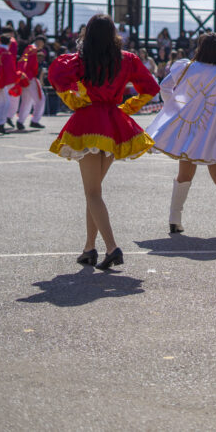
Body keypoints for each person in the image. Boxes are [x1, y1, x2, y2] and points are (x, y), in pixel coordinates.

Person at [48, 14, 160, 270]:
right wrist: (127, 107)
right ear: (113, 34)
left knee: (92, 192)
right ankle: (89, 248)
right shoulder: (127, 59)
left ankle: (112, 247)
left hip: (88, 124)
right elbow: (151, 88)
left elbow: (59, 79)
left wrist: (78, 101)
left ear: (88, 33)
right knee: (94, 191)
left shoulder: (79, 60)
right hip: (113, 123)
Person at [147, 33, 216, 236]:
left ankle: (175, 219)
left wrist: (176, 105)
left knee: (185, 173)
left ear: (200, 47)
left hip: (189, 126)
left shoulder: (186, 66)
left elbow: (164, 86)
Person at [14, 36, 47, 130]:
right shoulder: (33, 49)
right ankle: (35, 120)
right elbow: (25, 61)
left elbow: (23, 60)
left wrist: (22, 73)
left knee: (27, 101)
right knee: (40, 99)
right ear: (40, 42)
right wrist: (24, 73)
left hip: (25, 77)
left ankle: (20, 121)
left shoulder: (29, 48)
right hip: (30, 78)